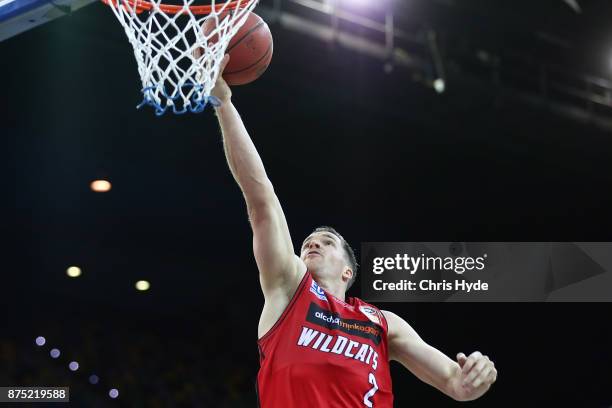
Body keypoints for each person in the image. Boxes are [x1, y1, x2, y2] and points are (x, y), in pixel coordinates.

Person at [211, 55, 497, 407]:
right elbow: (262, 201)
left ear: (349, 270)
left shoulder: (383, 324)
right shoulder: (288, 291)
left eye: (327, 242)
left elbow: (456, 382)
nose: (313, 242)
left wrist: (478, 375)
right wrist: (222, 102)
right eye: (307, 243)